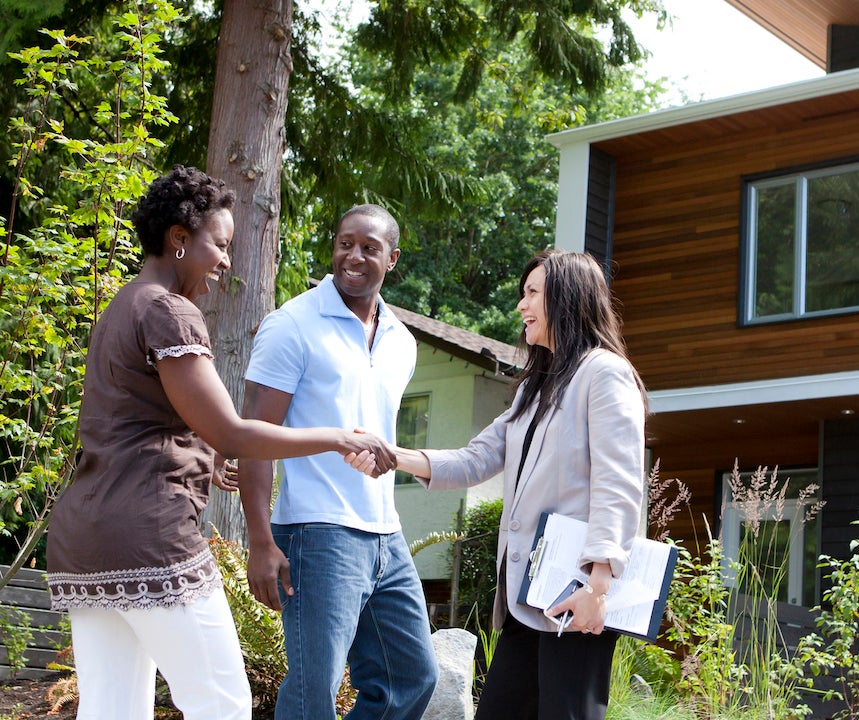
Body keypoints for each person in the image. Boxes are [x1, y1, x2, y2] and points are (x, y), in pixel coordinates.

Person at [44, 166, 398, 720]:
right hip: (148, 535)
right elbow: (231, 431)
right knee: (224, 704)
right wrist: (336, 437)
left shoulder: (123, 305)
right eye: (220, 244)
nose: (227, 260)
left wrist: (203, 455)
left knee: (111, 709)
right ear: (179, 239)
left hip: (87, 540)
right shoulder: (168, 311)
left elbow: (137, 419)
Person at [349, 249, 648, 720]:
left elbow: (619, 482)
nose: (521, 306)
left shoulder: (604, 374)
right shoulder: (538, 386)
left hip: (576, 596)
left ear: (567, 299)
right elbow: (476, 458)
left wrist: (599, 586)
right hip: (527, 596)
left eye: (532, 293)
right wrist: (393, 455)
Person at [237, 203, 438, 720]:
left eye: (369, 247)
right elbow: (255, 437)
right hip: (315, 530)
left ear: (391, 260)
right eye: (345, 243)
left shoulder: (403, 342)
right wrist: (260, 541)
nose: (354, 255)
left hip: (384, 533)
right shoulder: (292, 325)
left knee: (411, 676)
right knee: (314, 692)